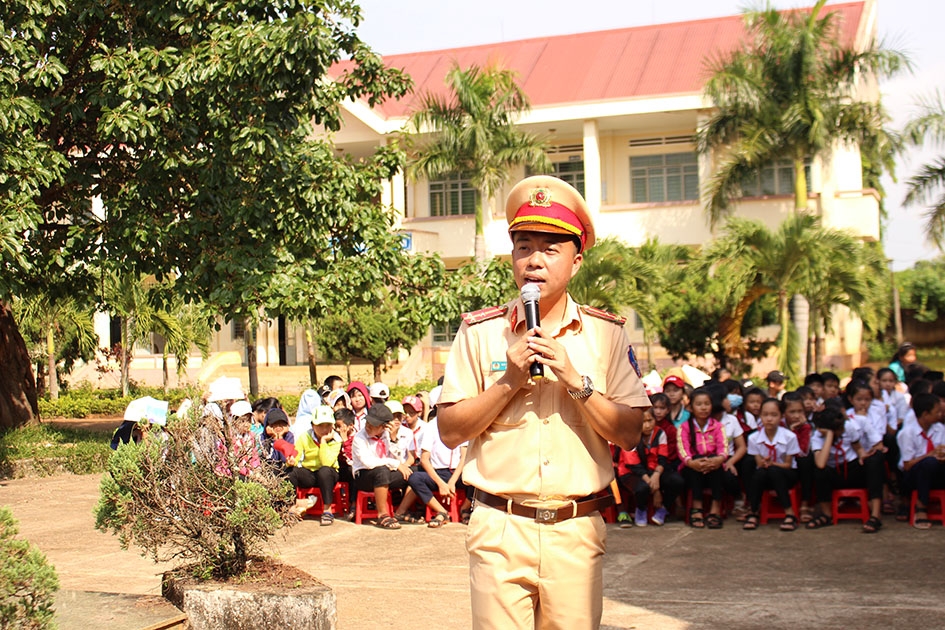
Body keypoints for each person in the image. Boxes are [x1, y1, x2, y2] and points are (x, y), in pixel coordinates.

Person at [437, 175, 650, 630]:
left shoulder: (605, 334)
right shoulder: (479, 333)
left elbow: (630, 434)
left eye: (551, 248)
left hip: (575, 528)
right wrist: (508, 381)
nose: (534, 260)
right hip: (499, 525)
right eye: (523, 246)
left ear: (576, 261)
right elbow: (451, 430)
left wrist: (576, 381)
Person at [616, 408, 682, 527]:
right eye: (643, 422)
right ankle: (641, 509)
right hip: (632, 472)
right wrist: (655, 489)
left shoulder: (660, 433)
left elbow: (662, 458)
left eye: (650, 420)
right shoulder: (630, 435)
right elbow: (634, 465)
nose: (647, 425)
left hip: (655, 470)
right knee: (642, 487)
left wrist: (656, 475)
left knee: (676, 481)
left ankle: (663, 509)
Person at [351, 403, 412, 530]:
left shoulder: (387, 435)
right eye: (367, 422)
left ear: (384, 426)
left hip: (385, 473)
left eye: (373, 425)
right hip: (364, 476)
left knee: (413, 473)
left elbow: (400, 460)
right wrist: (395, 464)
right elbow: (369, 463)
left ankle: (402, 511)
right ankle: (383, 514)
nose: (368, 426)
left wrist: (393, 439)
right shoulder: (359, 438)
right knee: (382, 471)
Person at [743, 398, 800, 531]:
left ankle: (789, 513)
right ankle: (753, 511)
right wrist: (764, 463)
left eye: (774, 415)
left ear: (781, 416)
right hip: (765, 475)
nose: (769, 419)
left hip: (787, 474)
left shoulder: (789, 436)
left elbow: (788, 464)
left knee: (774, 471)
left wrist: (772, 463)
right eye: (765, 415)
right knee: (759, 473)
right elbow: (758, 463)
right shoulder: (753, 438)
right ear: (760, 416)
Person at [678, 387, 728, 529]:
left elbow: (723, 448)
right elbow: (683, 450)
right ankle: (697, 506)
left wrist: (718, 459)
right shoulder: (684, 427)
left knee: (716, 466)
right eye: (699, 404)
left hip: (714, 466)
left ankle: (715, 507)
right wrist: (692, 462)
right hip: (691, 468)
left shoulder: (718, 426)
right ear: (691, 407)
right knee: (696, 464)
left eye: (707, 404)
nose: (703, 408)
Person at [897, 393, 945, 529]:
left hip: (936, 470)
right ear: (925, 414)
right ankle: (921, 507)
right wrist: (929, 455)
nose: (941, 414)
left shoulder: (939, 428)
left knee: (933, 463)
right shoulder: (908, 433)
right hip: (913, 476)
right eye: (937, 412)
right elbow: (907, 466)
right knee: (928, 464)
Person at [289, 406, 343, 525]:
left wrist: (323, 441)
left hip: (329, 474)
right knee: (291, 471)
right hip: (310, 472)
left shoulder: (336, 439)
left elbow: (327, 462)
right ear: (313, 425)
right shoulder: (305, 436)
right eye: (320, 425)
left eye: (327, 425)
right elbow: (296, 454)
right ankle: (292, 507)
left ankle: (327, 510)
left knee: (324, 471)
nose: (324, 429)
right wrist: (291, 460)